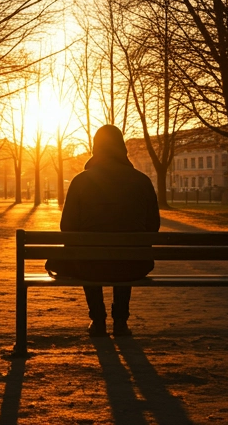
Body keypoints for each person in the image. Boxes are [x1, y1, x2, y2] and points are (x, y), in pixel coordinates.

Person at [46, 124, 160, 337]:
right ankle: (120, 321)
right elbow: (153, 227)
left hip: (89, 265)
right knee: (125, 255)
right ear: (122, 148)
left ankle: (98, 320)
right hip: (133, 265)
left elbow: (67, 228)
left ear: (95, 148)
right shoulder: (142, 181)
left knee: (86, 256)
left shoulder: (80, 181)